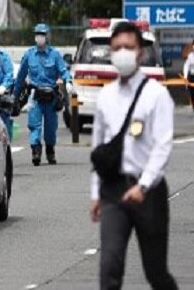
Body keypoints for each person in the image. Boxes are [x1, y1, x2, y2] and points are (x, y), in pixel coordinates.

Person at [90, 21, 178, 290]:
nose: (123, 53)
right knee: (110, 269)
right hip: (113, 191)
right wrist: (96, 193)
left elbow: (162, 145)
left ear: (140, 52)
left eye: (129, 47)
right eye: (117, 48)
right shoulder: (105, 96)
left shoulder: (157, 95)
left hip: (148, 193)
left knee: (155, 273)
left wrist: (144, 185)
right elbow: (99, 150)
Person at [14, 23, 74, 166]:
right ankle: (36, 150)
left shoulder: (55, 54)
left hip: (51, 95)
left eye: (42, 35)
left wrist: (68, 81)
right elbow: (21, 76)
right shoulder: (29, 55)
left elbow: (63, 70)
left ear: (47, 37)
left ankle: (50, 150)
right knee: (34, 125)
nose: (39, 37)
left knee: (51, 126)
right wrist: (15, 95)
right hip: (35, 94)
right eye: (37, 34)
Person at [183, 38, 194, 110]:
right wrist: (185, 77)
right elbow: (186, 66)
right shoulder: (191, 56)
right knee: (192, 95)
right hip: (192, 77)